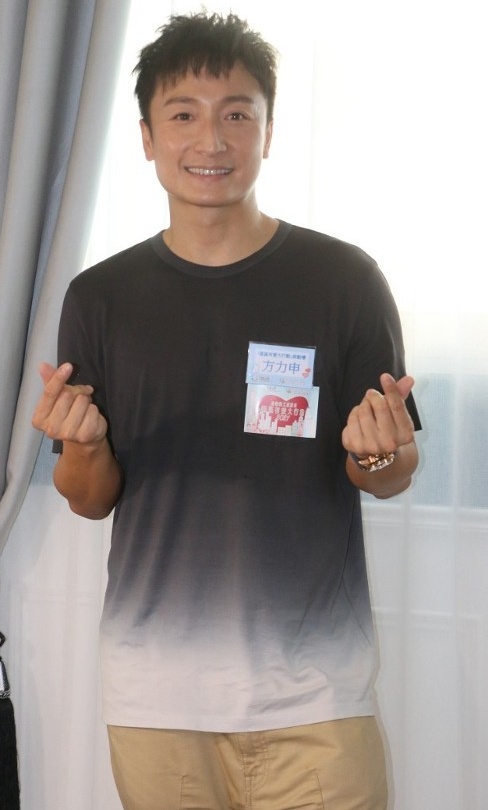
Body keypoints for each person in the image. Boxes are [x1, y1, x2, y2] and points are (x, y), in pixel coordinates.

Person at [32, 11, 421, 810]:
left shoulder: (344, 280)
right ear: (147, 137)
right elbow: (89, 497)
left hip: (319, 697)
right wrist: (85, 446)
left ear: (268, 133)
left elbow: (388, 471)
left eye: (237, 114)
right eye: (183, 115)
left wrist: (379, 450)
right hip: (156, 700)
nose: (211, 139)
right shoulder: (100, 297)